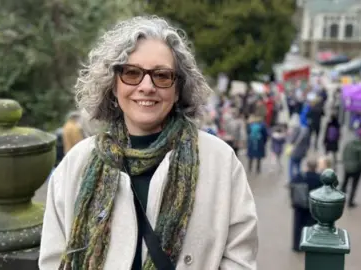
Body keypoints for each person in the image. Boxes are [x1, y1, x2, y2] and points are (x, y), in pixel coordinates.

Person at [39, 16, 258, 270]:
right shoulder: (76, 165)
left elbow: (239, 259)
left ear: (178, 89)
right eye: (132, 73)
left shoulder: (220, 162)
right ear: (113, 84)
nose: (146, 86)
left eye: (162, 76)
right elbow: (55, 261)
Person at [289, 158, 323, 252]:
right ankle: (309, 245)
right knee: (311, 226)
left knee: (297, 226)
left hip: (299, 206)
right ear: (316, 167)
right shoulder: (319, 178)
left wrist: (292, 201)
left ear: (307, 166)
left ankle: (296, 246)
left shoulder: (299, 176)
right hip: (312, 206)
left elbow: (291, 185)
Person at [341, 126, 361, 208]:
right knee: (354, 185)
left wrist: (345, 163)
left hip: (347, 167)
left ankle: (340, 199)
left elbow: (344, 153)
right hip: (357, 169)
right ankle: (350, 202)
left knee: (344, 183)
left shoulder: (349, 143)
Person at [286, 114, 311, 182]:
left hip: (294, 151)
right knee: (298, 166)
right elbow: (308, 143)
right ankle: (298, 179)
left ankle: (291, 180)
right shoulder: (305, 131)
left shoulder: (293, 131)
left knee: (291, 166)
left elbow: (290, 141)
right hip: (301, 152)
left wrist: (288, 134)